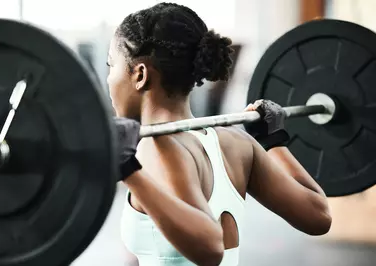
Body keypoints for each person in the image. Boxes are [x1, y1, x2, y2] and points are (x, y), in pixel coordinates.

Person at [110, 3, 332, 266]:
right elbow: (318, 215)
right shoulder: (238, 143)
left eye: (111, 65)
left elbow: (210, 249)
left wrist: (129, 171)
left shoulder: (157, 148)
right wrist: (274, 141)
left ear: (140, 75)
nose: (109, 78)